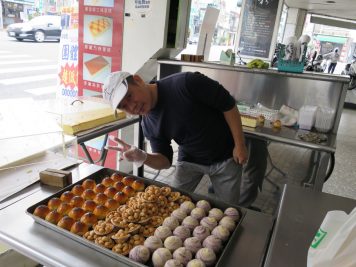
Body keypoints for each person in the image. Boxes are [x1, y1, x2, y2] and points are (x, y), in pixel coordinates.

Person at [103, 71, 253, 206]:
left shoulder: (186, 83)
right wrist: (142, 157)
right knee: (171, 203)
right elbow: (165, 161)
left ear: (138, 80)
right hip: (190, 159)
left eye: (129, 96)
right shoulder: (148, 123)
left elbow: (228, 104)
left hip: (225, 156)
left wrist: (239, 144)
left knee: (229, 211)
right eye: (124, 107)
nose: (132, 107)